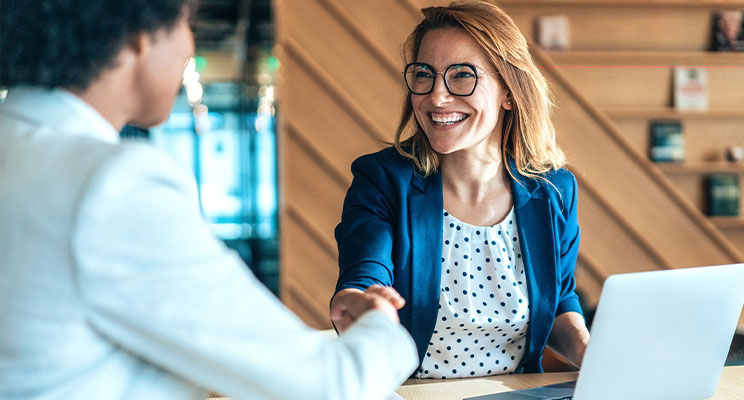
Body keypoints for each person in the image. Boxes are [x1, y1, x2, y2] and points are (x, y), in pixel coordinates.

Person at [0, 1, 417, 399]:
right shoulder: (111, 186)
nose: (191, 44)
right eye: (186, 23)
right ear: (139, 37)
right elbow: (332, 386)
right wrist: (382, 326)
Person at [329, 1, 590, 379]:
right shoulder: (383, 179)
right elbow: (364, 277)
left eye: (462, 76)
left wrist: (590, 351)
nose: (436, 97)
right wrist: (359, 304)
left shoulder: (554, 191)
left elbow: (560, 299)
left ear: (509, 91)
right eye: (424, 74)